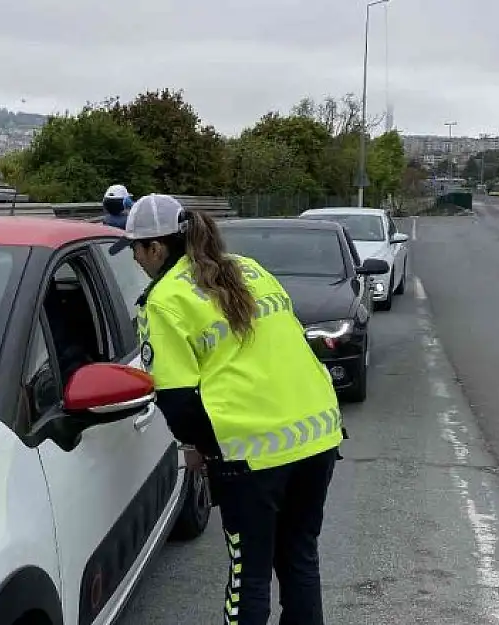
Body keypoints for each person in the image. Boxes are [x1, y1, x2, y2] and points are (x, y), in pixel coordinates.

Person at [112, 194, 342, 625]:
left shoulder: (165, 299)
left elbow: (178, 400)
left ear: (155, 248)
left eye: (135, 250)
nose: (136, 260)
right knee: (299, 559)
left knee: (248, 576)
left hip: (253, 454)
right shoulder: (248, 267)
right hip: (318, 434)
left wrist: (203, 448)